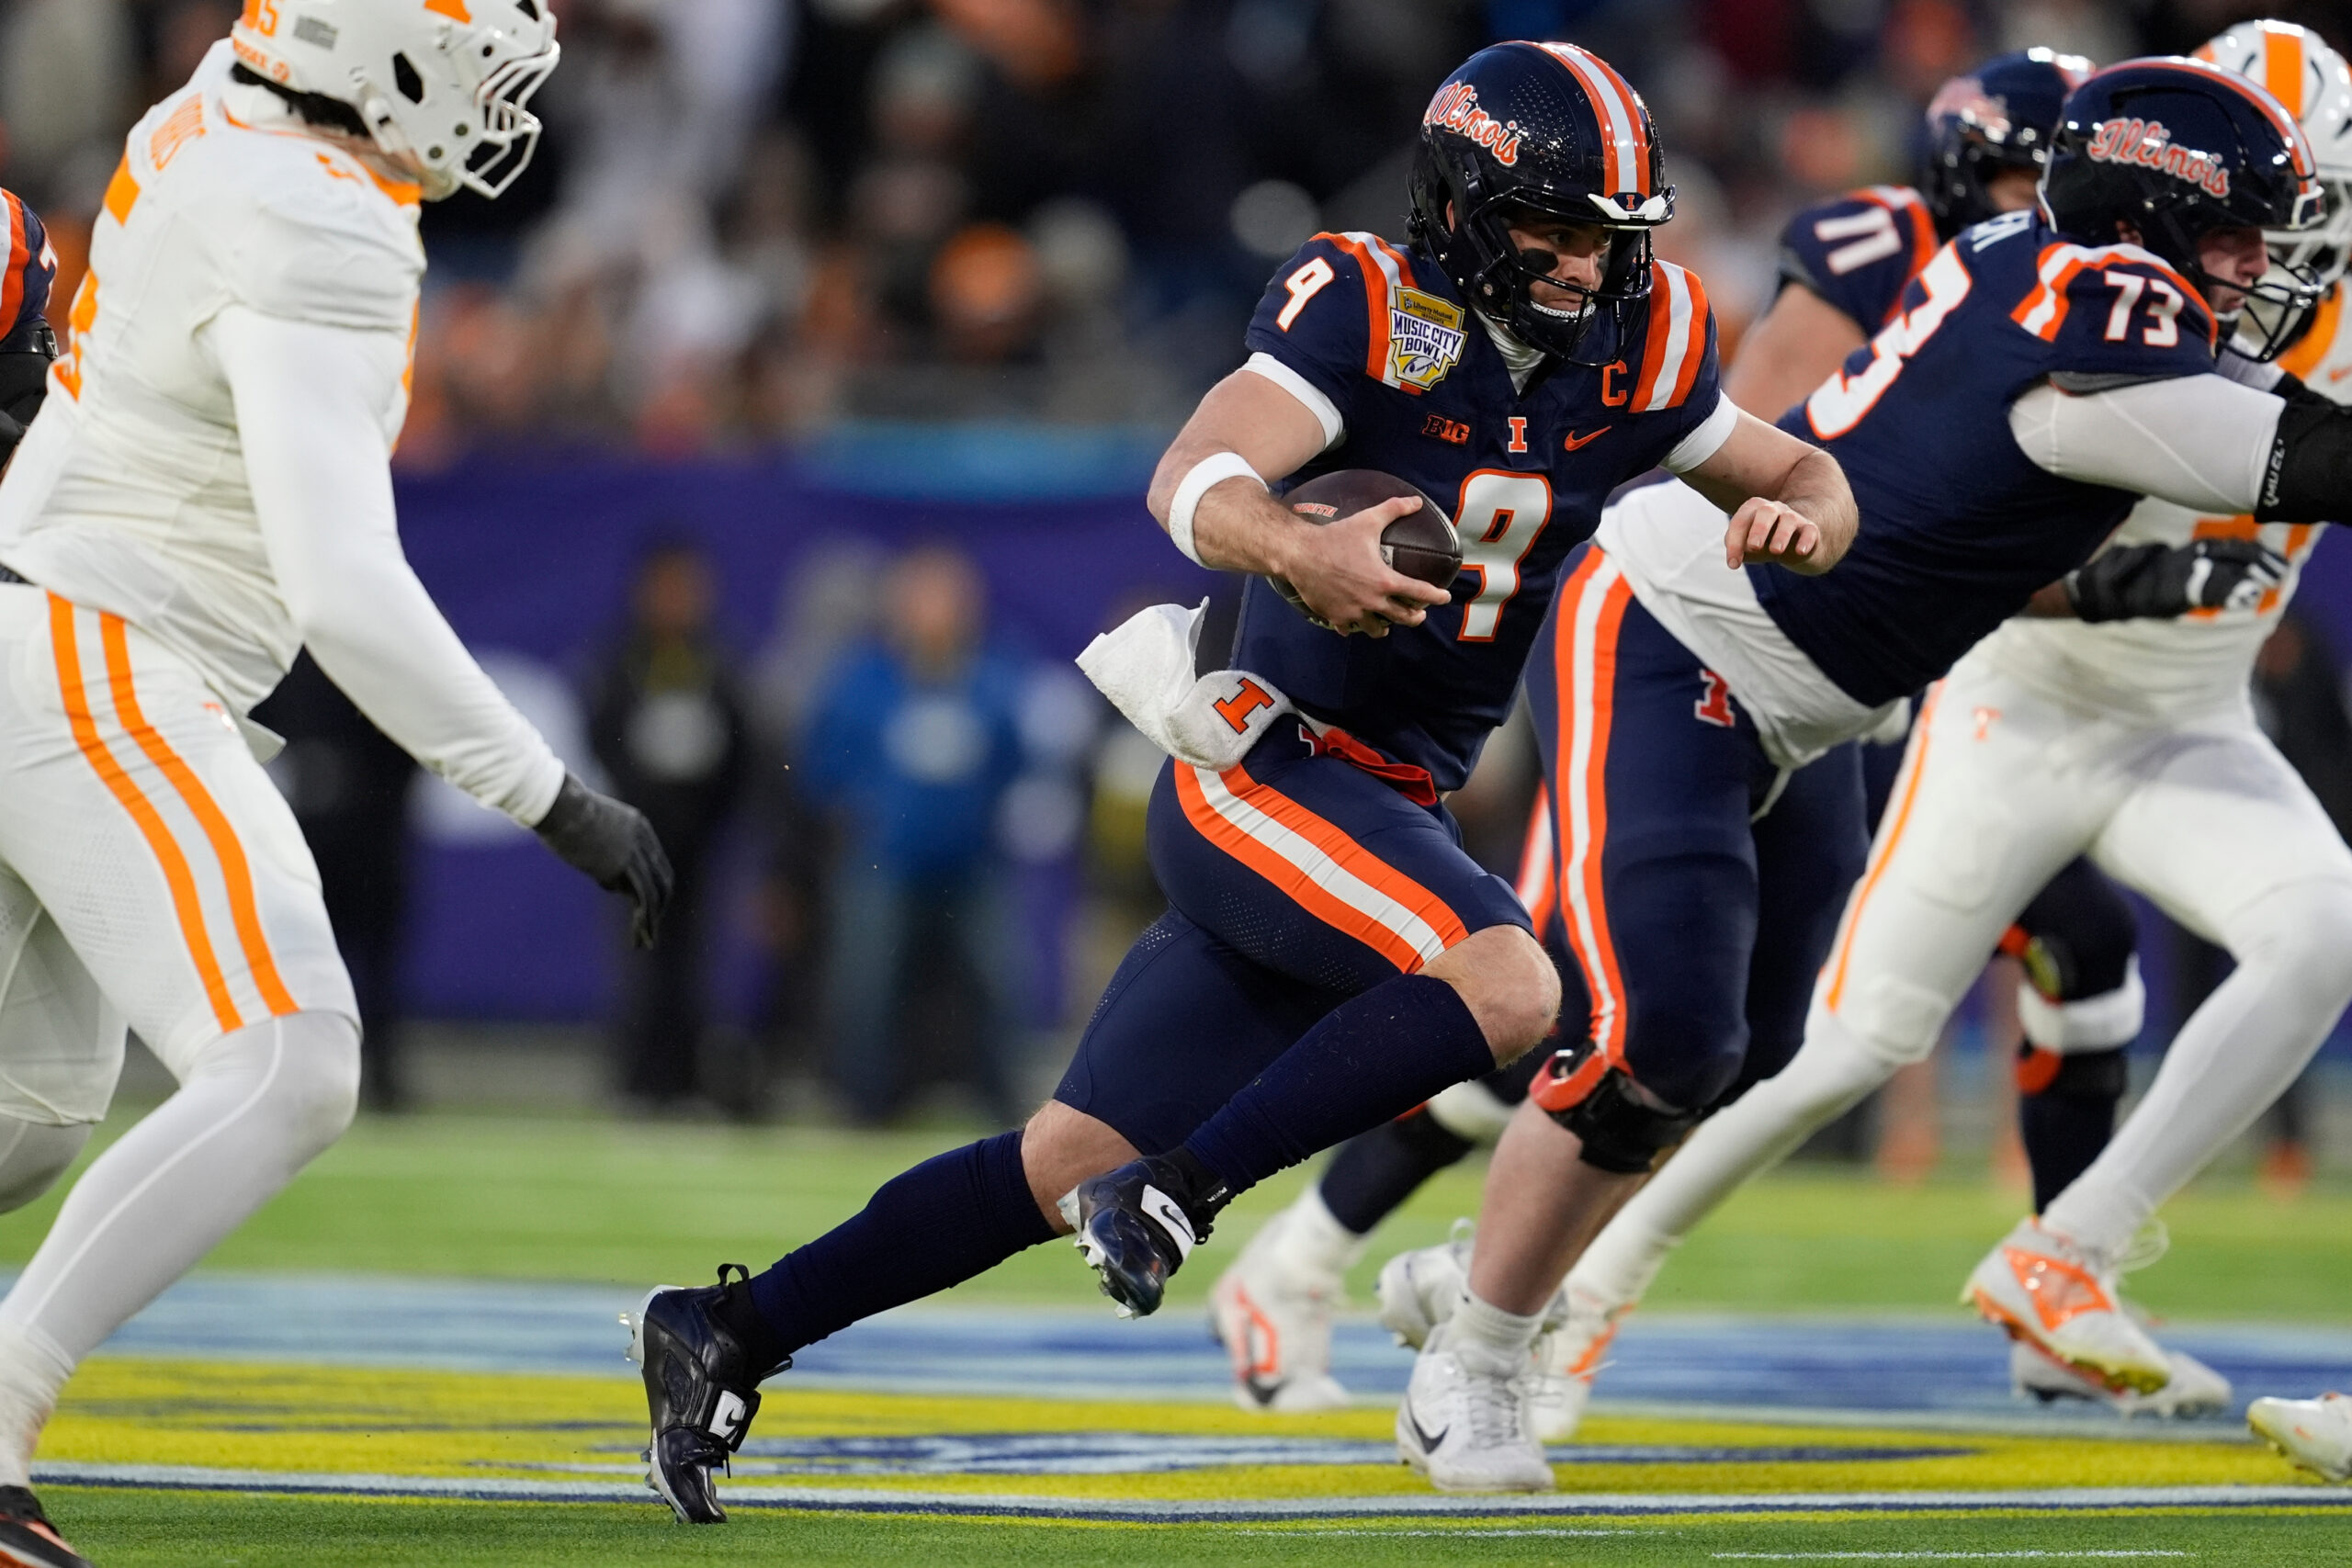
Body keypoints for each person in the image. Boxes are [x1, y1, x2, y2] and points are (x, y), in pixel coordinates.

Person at [625, 39, 1859, 1525]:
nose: (1592, 259)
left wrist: (1810, 523)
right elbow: (1192, 475)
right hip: (1266, 762)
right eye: (1558, 223)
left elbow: (1802, 477)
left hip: (1387, 796)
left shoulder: (1643, 334)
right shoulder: (1370, 300)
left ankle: (724, 1332)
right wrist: (1295, 544)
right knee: (1513, 984)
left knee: (1064, 1153)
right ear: (1464, 204)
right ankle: (1191, 1195)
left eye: (1614, 228)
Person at [1386, 44, 2352, 1492]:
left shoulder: (2042, 263)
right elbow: (2309, 459)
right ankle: (1476, 1356)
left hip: (1812, 702)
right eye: (2227, 232)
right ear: (2144, 222)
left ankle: (1489, 1269)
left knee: (1762, 1050)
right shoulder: (2097, 324)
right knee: (1670, 1037)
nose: (2258, 265)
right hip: (1676, 635)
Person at [1204, 48, 2144, 1418]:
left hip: (1862, 678)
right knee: (1620, 1015)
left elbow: (1837, 490)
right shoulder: (1878, 255)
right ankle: (1388, 1272)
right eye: (2023, 176)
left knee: (1721, 1037)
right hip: (1702, 640)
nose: (2051, 206)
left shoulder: (2115, 312)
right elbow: (1791, 452)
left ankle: (1438, 1262)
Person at [0, 11, 673, 1564]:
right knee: (290, 1059)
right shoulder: (315, 217)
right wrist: (549, 792)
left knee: (29, 1117)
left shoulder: (227, 107)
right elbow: (344, 584)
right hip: (103, 640)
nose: (504, 110)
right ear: (384, 59)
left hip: (50, 621)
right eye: (485, 70)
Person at [799, 544, 1032, 1127]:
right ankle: (862, 1104)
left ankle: (1005, 1110)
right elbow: (825, 766)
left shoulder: (992, 679)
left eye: (948, 598)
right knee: (867, 986)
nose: (938, 612)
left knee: (995, 985)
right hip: (884, 863)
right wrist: (864, 818)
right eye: (925, 598)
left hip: (972, 862)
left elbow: (1012, 763)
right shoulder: (864, 681)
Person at [590, 537, 748, 1111]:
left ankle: (687, 1079)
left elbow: (742, 746)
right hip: (638, 840)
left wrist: (711, 814)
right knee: (640, 960)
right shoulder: (623, 660)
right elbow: (602, 736)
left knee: (694, 963)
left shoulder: (718, 661)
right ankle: (637, 1080)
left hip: (699, 842)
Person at [253, 654, 421, 1112]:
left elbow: (411, 745)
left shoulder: (379, 659)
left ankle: (381, 1074)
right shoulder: (281, 654)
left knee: (376, 963)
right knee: (293, 958)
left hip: (371, 834)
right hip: (298, 833)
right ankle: (288, 1070)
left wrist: (369, 797)